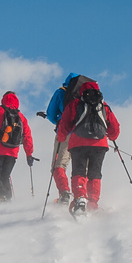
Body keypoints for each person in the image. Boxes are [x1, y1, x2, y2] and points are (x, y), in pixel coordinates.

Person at [55, 80, 119, 216]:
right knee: (95, 174)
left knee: (79, 172)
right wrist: (111, 136)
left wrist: (61, 138)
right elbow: (115, 128)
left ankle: (80, 199)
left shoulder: (75, 104)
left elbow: (64, 124)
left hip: (78, 144)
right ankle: (93, 203)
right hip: (99, 145)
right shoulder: (104, 106)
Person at [41, 73, 92, 205]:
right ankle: (82, 197)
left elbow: (51, 115)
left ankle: (64, 194)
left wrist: (59, 121)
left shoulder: (61, 92)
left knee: (59, 165)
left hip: (65, 133)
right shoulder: (87, 93)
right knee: (81, 168)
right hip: (85, 135)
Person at [0, 91, 35, 202]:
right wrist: (29, 154)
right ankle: (7, 200)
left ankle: (0, 198)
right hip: (13, 152)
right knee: (4, 176)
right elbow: (27, 136)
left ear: (3, 99)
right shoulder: (20, 116)